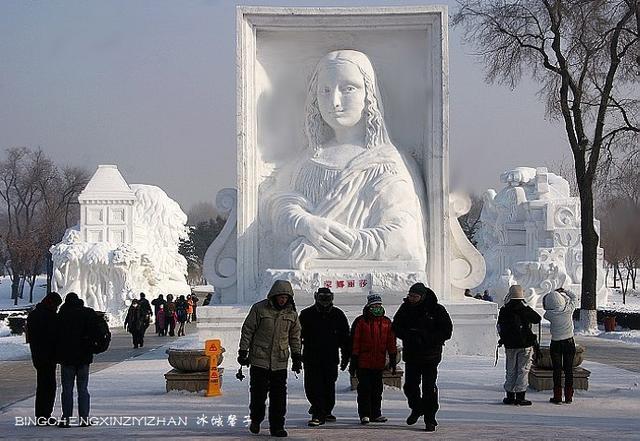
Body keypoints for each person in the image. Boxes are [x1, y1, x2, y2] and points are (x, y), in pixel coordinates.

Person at [263, 50, 427, 270]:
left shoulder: (387, 164)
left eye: (348, 88)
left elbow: (401, 240)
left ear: (368, 94)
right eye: (325, 91)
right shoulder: (303, 162)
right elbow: (277, 207)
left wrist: (321, 246)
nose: (334, 102)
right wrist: (305, 223)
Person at [238, 280, 302, 438]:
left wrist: (296, 356)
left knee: (279, 397)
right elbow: (248, 330)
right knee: (258, 395)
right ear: (274, 296)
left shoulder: (291, 314)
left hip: (279, 361)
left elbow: (295, 337)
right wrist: (243, 351)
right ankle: (256, 419)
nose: (283, 300)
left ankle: (277, 426)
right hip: (260, 359)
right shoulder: (259, 309)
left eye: (286, 298)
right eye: (280, 297)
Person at [392, 283, 453, 432]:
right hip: (412, 355)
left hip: (430, 356)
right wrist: (409, 335)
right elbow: (396, 327)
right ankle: (417, 407)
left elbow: (446, 331)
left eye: (415, 296)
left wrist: (427, 337)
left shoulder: (436, 309)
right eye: (410, 296)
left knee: (428, 388)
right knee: (410, 386)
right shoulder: (405, 308)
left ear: (422, 296)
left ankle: (430, 418)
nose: (411, 299)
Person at [299, 287, 350, 426]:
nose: (325, 301)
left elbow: (345, 338)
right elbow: (296, 337)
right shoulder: (306, 314)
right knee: (313, 386)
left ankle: (325, 410)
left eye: (328, 297)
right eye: (322, 297)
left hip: (330, 357)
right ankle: (318, 412)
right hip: (311, 357)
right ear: (316, 297)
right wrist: (296, 356)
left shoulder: (338, 314)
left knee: (329, 385)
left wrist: (346, 357)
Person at [350, 293, 397, 425]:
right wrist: (353, 361)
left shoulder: (387, 322)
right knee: (364, 389)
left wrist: (393, 358)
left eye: (379, 305)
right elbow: (355, 342)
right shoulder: (361, 321)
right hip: (363, 362)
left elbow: (391, 342)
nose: (377, 307)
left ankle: (376, 413)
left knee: (377, 389)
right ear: (369, 306)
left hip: (378, 362)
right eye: (374, 305)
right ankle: (364, 414)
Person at [56, 292, 101, 427]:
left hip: (67, 358)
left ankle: (66, 419)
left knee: (67, 389)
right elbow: (96, 332)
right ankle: (84, 418)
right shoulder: (87, 313)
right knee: (83, 389)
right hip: (83, 357)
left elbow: (55, 336)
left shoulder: (62, 315)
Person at [497, 285, 541, 406]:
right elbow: (537, 318)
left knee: (510, 369)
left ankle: (510, 395)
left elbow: (500, 326)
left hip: (510, 345)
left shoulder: (505, 309)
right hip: (525, 344)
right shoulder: (524, 309)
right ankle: (520, 396)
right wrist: (526, 307)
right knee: (523, 370)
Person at [26, 291, 62, 425]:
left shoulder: (34, 314)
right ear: (51, 303)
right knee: (49, 386)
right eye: (56, 305)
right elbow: (54, 335)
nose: (57, 308)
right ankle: (45, 415)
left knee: (42, 385)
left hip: (37, 355)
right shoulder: (50, 316)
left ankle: (41, 415)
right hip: (48, 356)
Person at [543, 287, 578, 404]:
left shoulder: (549, 314)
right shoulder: (568, 309)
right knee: (569, 370)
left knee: (557, 371)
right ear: (561, 300)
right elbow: (574, 298)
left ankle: (557, 396)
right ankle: (568, 396)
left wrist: (551, 296)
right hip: (569, 342)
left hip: (556, 344)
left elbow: (545, 307)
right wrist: (565, 291)